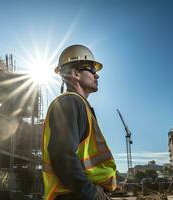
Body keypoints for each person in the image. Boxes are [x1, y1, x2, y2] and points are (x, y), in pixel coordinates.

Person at [42, 44, 117, 200]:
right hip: (76, 195)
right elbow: (63, 155)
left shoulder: (79, 104)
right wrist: (89, 193)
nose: (97, 75)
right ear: (75, 73)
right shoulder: (69, 102)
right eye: (92, 70)